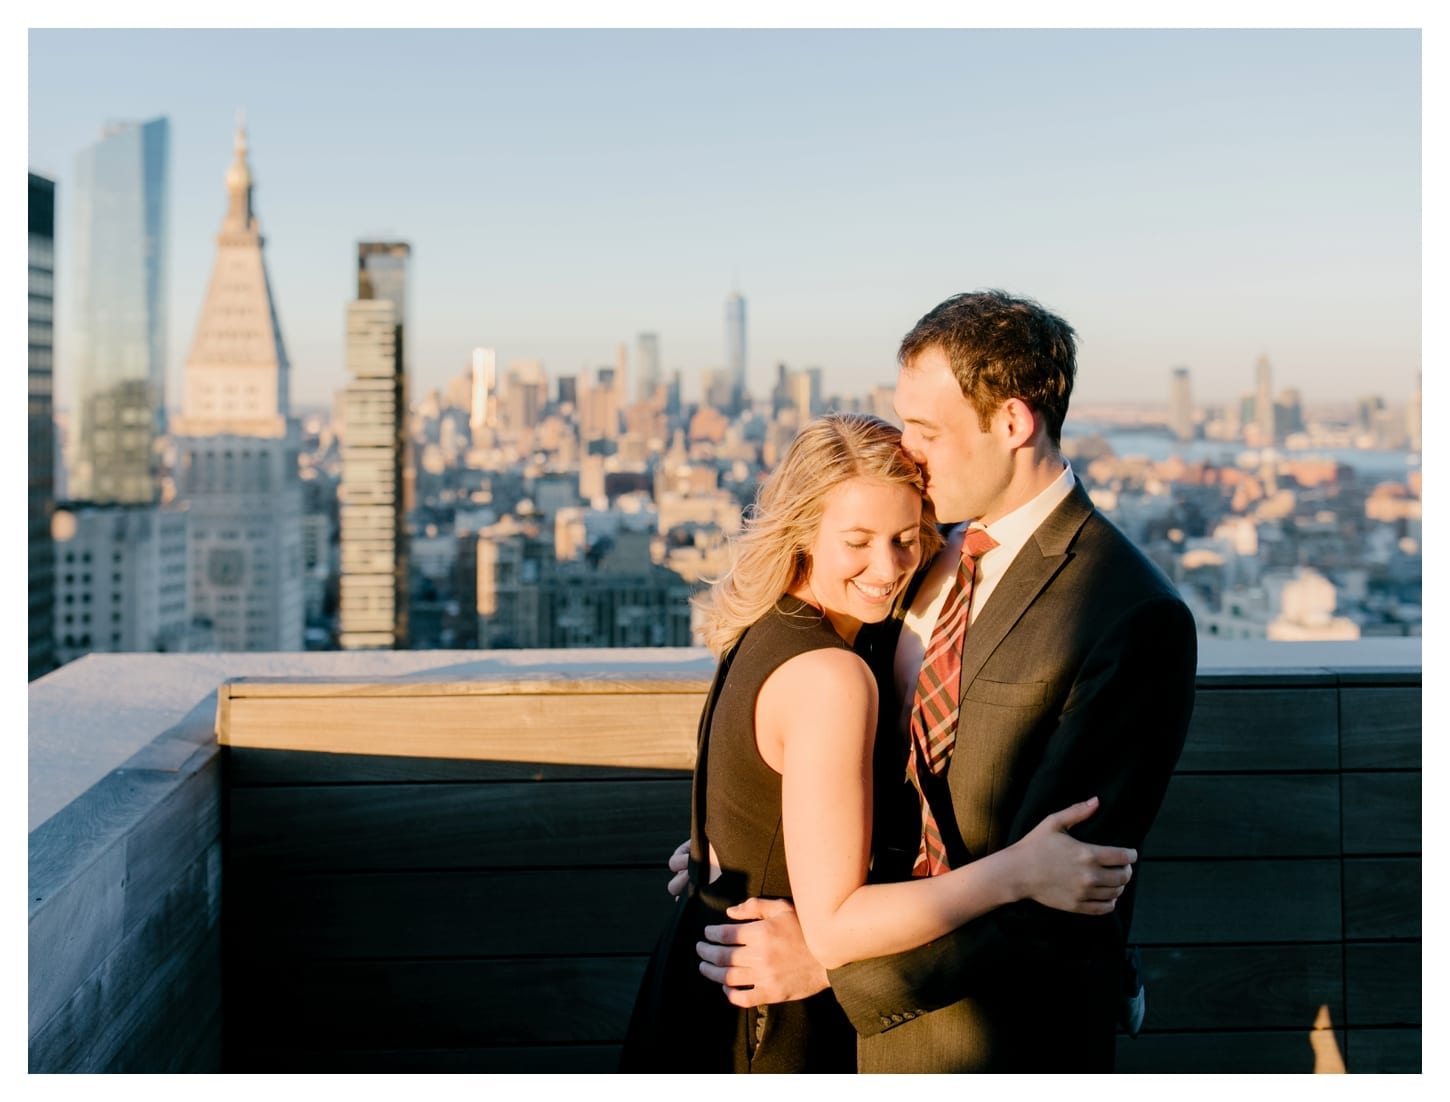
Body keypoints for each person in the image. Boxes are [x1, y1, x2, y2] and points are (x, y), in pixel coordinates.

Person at [693, 291, 1199, 1073]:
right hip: (836, 1034)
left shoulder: (1128, 611)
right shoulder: (918, 549)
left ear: (1012, 423)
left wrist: (835, 969)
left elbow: (1068, 884)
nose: (909, 450)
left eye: (926, 430)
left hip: (996, 1041)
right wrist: (752, 844)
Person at [622, 412, 1141, 1073]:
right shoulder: (833, 676)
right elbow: (836, 925)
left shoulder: (770, 623)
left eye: (906, 537)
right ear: (803, 530)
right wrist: (1018, 872)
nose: (888, 566)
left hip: (703, 988)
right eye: (858, 541)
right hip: (766, 1020)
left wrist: (733, 845)